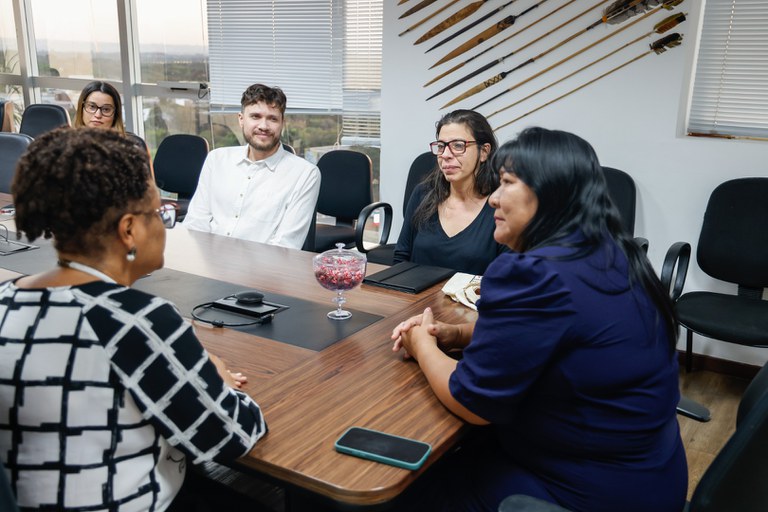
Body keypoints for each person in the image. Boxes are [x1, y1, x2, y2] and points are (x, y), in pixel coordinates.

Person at [392, 127, 687, 512]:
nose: (494, 198)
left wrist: (423, 344)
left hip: (579, 492)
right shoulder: (615, 255)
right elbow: (558, 331)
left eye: (507, 183)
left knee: (408, 486)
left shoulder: (533, 274)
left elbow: (473, 405)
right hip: (652, 477)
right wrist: (459, 334)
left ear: (550, 194)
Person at [0, 127, 267, 511]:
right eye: (160, 212)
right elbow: (232, 436)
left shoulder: (6, 300)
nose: (165, 223)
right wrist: (218, 381)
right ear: (129, 230)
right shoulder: (135, 321)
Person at [182, 83, 320, 249]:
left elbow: (285, 246)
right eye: (255, 116)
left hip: (261, 272)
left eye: (272, 118)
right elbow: (195, 224)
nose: (263, 126)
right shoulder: (216, 159)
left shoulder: (304, 174)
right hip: (206, 264)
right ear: (241, 119)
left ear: (282, 123)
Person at [394, 109, 506, 275]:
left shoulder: (502, 205)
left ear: (484, 152)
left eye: (458, 146)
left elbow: (508, 278)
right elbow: (401, 258)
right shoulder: (422, 194)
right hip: (417, 299)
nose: (445, 155)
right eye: (441, 146)